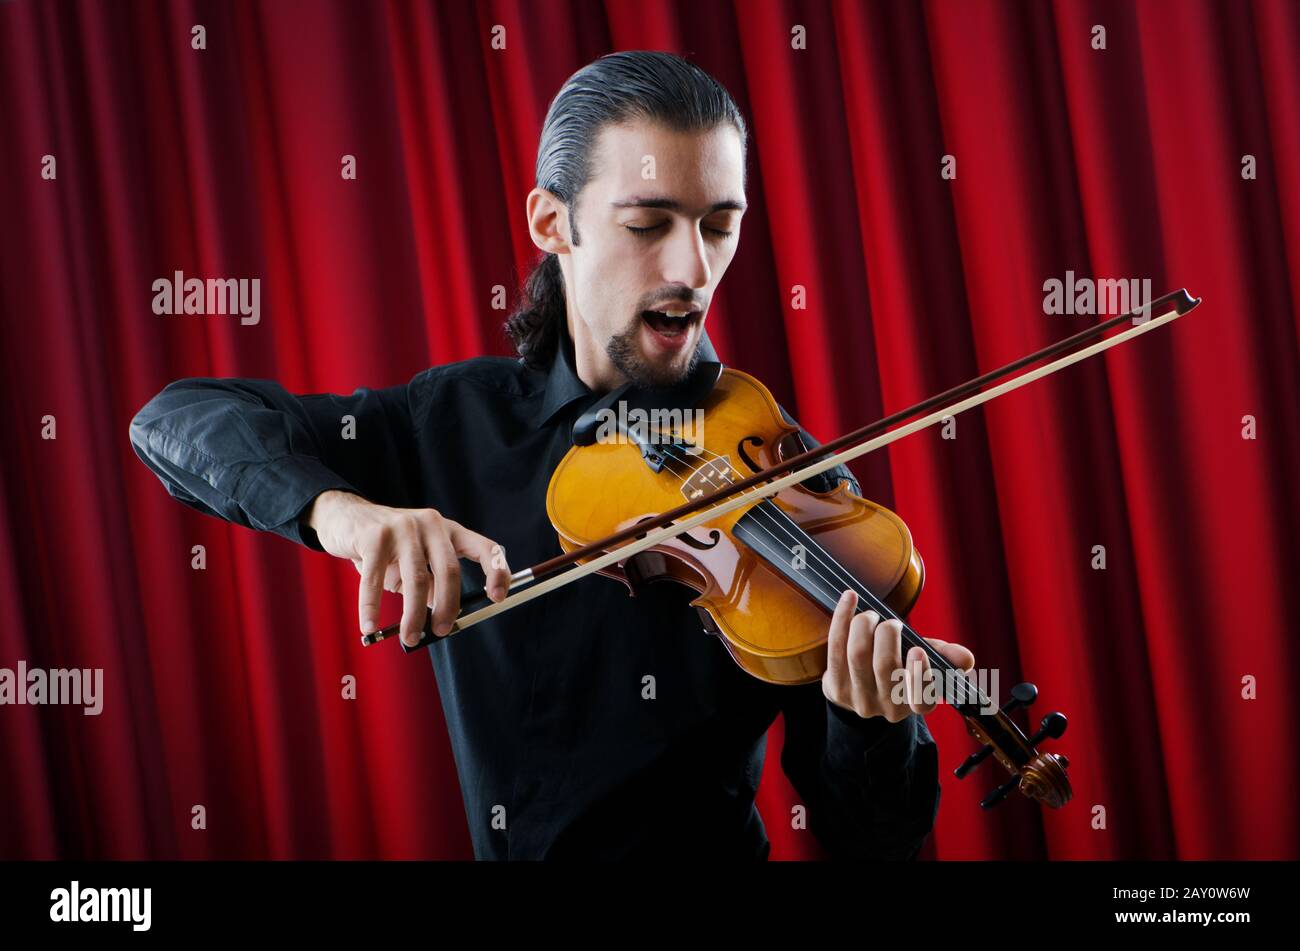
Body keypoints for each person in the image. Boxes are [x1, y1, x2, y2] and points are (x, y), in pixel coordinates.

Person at [130, 50, 973, 860]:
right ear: (551, 221)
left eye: (721, 225)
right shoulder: (455, 418)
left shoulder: (791, 483)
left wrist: (873, 723)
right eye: (648, 223)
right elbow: (175, 420)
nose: (693, 267)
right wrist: (341, 513)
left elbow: (873, 838)